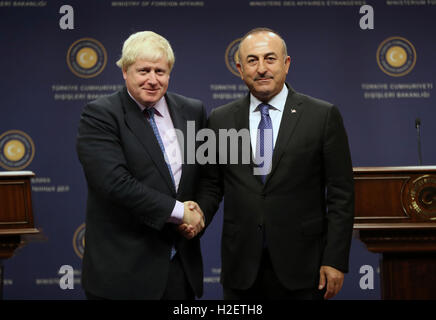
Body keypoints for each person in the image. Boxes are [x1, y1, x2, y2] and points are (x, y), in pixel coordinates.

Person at [197, 27, 355, 300]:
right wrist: (195, 216)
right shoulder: (220, 119)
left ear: (286, 63)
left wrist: (335, 258)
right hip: (241, 269)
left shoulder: (322, 115)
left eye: (270, 59)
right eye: (252, 60)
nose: (261, 68)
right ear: (239, 67)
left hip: (304, 267)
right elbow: (212, 185)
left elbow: (341, 195)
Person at [76, 31, 205, 300]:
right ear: (125, 70)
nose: (152, 79)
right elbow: (114, 183)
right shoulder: (101, 114)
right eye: (143, 70)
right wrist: (181, 212)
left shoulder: (192, 111)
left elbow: (206, 176)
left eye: (160, 71)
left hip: (179, 271)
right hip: (123, 274)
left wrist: (197, 218)